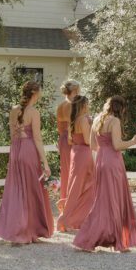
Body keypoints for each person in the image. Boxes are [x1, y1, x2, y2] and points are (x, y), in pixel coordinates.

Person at [73, 95, 136, 253]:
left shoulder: (97, 119)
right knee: (115, 200)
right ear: (121, 108)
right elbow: (117, 145)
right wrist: (134, 140)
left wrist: (104, 150)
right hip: (112, 162)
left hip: (101, 161)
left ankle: (92, 237)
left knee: (102, 201)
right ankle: (118, 241)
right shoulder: (115, 121)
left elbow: (92, 145)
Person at [0, 79, 54, 244]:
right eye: (40, 91)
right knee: (30, 191)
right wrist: (46, 163)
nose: (41, 94)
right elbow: (37, 139)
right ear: (35, 93)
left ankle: (17, 229)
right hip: (28, 151)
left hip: (16, 151)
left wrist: (15, 151)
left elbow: (12, 134)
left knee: (16, 191)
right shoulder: (34, 112)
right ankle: (28, 230)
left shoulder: (14, 110)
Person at [58, 95, 94, 233]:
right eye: (88, 104)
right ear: (83, 106)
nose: (89, 106)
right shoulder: (84, 120)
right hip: (84, 153)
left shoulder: (74, 120)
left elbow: (70, 141)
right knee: (84, 187)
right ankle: (65, 219)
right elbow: (87, 140)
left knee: (78, 186)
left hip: (76, 152)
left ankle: (79, 218)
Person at [57, 79, 80, 213]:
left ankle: (66, 205)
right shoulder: (73, 105)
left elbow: (60, 128)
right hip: (73, 139)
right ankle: (74, 207)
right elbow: (73, 125)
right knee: (76, 172)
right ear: (75, 90)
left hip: (64, 139)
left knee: (66, 172)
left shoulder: (60, 106)